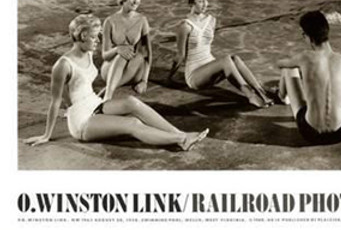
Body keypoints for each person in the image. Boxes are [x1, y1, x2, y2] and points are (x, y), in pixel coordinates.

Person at [24, 14, 208, 151]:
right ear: (81, 37)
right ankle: (181, 140)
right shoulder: (63, 65)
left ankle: (180, 133)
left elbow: (82, 84)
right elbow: (56, 101)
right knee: (132, 124)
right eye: (94, 37)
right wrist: (46, 135)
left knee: (132, 102)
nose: (97, 41)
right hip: (82, 121)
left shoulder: (87, 52)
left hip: (95, 103)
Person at [168, 0, 274, 108]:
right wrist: (169, 78)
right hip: (195, 75)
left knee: (235, 58)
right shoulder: (185, 26)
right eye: (201, 1)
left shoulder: (211, 20)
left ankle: (261, 92)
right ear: (192, 3)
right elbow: (180, 55)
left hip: (210, 67)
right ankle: (250, 95)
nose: (205, 4)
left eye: (206, 0)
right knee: (226, 60)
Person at [277, 11, 341, 145]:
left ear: (307, 36)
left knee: (288, 68)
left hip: (310, 133)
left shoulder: (305, 57)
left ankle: (281, 96)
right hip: (340, 134)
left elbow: (280, 64)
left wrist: (295, 64)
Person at [101, 0, 152, 100]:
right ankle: (108, 94)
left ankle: (108, 91)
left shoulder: (142, 20)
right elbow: (105, 55)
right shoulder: (110, 21)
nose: (136, 1)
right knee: (122, 55)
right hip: (110, 68)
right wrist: (117, 49)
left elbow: (148, 54)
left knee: (139, 56)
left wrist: (144, 80)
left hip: (133, 69)